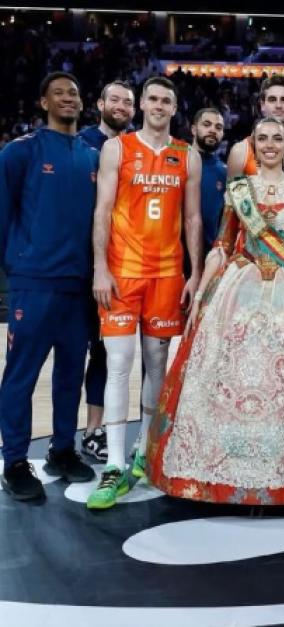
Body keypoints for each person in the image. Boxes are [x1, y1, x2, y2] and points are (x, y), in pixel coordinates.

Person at [146, 117, 284, 504]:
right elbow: (222, 246)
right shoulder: (238, 190)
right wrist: (204, 291)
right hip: (238, 289)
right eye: (263, 139)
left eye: (278, 138)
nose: (271, 145)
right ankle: (222, 470)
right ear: (253, 145)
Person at [87, 76, 203, 510]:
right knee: (118, 365)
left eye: (165, 100)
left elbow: (192, 219)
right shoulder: (118, 148)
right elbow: (101, 211)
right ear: (142, 106)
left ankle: (144, 451)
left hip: (168, 275)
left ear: (174, 108)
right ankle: (114, 463)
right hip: (122, 275)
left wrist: (193, 272)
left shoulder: (185, 154)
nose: (157, 105)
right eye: (151, 98)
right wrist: (100, 267)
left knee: (157, 366)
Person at [0, 72, 97, 500]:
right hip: (34, 282)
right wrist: (15, 269)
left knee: (70, 375)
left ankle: (62, 449)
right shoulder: (20, 152)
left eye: (73, 93)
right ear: (43, 103)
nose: (68, 98)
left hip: (79, 286)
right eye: (58, 93)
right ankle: (15, 461)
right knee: (21, 377)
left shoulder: (93, 155)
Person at [78, 80, 136, 462]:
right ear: (99, 103)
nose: (120, 106)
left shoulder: (134, 149)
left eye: (127, 102)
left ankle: (96, 433)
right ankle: (80, 432)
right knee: (78, 355)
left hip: (120, 269)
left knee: (105, 353)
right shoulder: (81, 143)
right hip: (81, 266)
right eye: (114, 99)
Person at [192, 108, 227, 252]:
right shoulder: (176, 161)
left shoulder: (224, 172)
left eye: (218, 127)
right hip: (172, 254)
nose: (213, 130)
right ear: (194, 129)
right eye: (207, 125)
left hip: (209, 254)